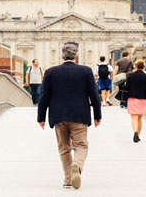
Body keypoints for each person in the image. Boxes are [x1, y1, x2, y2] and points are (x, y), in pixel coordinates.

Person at [38, 43, 102, 190]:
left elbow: (44, 96)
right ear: (76, 56)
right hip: (80, 115)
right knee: (81, 146)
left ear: (62, 56)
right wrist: (97, 115)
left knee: (64, 148)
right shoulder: (86, 71)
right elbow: (94, 96)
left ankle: (68, 179)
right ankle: (77, 165)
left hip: (58, 115)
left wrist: (41, 117)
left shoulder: (51, 72)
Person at [124, 60, 146, 143]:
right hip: (142, 99)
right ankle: (138, 135)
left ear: (135, 66)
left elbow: (126, 87)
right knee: (140, 118)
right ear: (144, 66)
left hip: (132, 98)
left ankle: (135, 131)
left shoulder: (130, 75)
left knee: (133, 117)